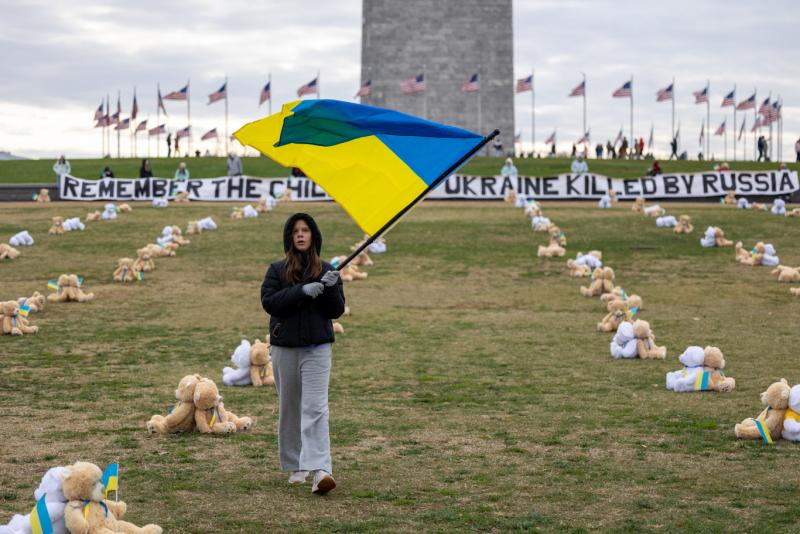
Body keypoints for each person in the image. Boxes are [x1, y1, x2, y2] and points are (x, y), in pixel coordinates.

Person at [261, 213, 345, 495]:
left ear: (313, 236)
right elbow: (270, 302)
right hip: (284, 348)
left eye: (305, 230)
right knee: (291, 407)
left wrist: (332, 288)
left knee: (316, 408)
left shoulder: (328, 270)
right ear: (289, 237)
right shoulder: (276, 270)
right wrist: (301, 291)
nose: (300, 234)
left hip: (317, 349)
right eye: (295, 231)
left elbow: (335, 311)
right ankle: (297, 463)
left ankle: (321, 469)